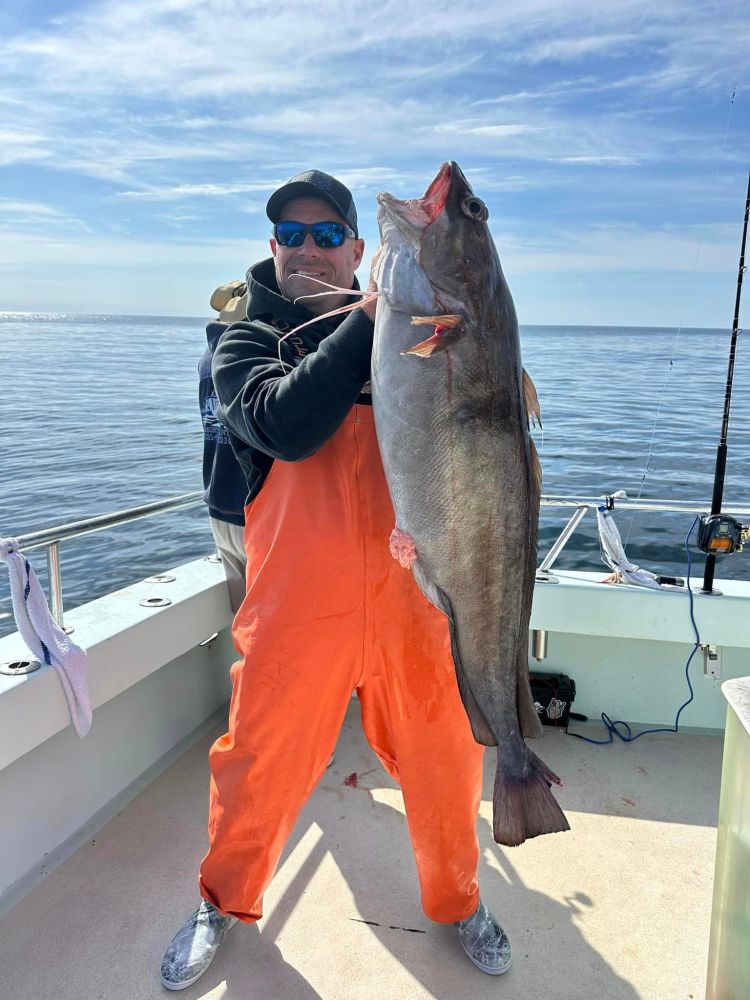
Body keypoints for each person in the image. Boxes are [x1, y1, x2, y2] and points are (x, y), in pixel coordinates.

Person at [161, 170, 511, 990]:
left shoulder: (422, 334)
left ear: (359, 248)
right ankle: (222, 898)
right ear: (271, 247)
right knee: (259, 760)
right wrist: (376, 318)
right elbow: (281, 423)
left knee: (444, 759)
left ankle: (460, 901)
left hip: (410, 595)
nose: (308, 248)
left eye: (327, 235)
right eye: (291, 235)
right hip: (296, 607)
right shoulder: (244, 338)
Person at [199, 281, 249, 612]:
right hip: (254, 513)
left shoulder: (207, 359)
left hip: (218, 507)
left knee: (244, 622)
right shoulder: (249, 357)